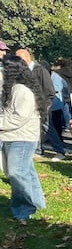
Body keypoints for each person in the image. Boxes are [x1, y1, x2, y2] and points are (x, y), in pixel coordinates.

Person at [0, 55, 47, 223]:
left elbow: (18, 118)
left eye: (4, 68)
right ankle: (38, 202)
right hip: (13, 136)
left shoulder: (22, 91)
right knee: (27, 171)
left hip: (22, 138)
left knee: (16, 173)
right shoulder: (14, 88)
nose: (2, 71)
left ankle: (24, 210)